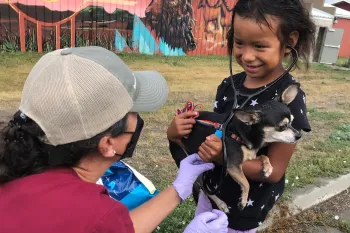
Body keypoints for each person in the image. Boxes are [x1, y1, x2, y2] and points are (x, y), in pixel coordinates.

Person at [0, 46, 229, 233]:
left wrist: (177, 190)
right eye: (134, 111)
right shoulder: (92, 214)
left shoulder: (21, 171)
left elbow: (118, 228)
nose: (139, 119)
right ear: (108, 144)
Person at [167, 0, 316, 232]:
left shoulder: (289, 97)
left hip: (245, 209)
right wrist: (177, 133)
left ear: (289, 43)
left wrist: (223, 157)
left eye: (259, 46)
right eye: (239, 43)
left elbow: (274, 171)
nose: (247, 56)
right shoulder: (229, 85)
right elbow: (217, 134)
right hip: (213, 190)